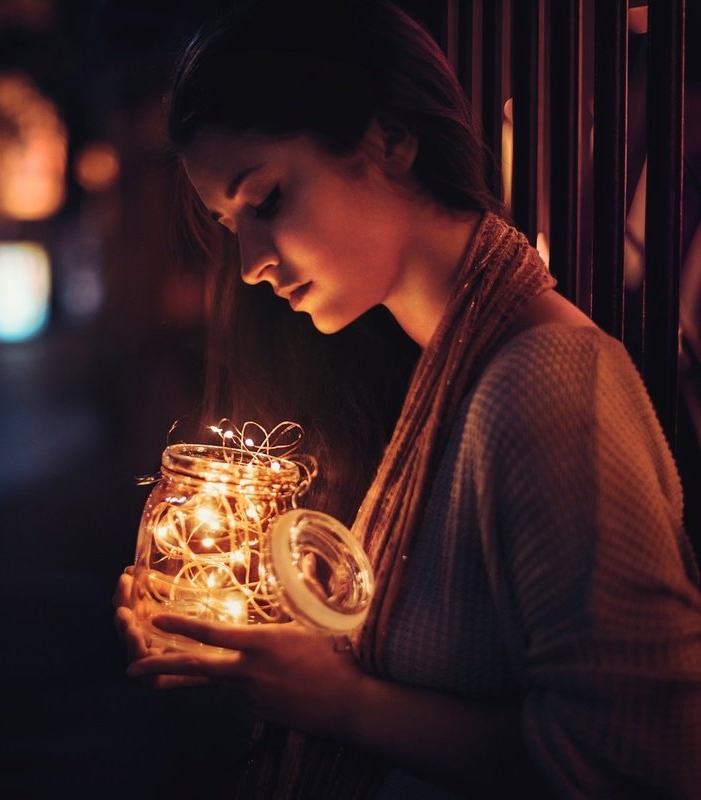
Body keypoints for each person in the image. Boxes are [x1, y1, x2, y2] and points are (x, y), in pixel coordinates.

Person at [113, 1, 701, 797]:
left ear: (389, 139)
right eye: (229, 226)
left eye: (268, 199)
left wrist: (344, 705)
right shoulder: (431, 374)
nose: (250, 261)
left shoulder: (546, 384)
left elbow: (638, 761)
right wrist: (263, 646)